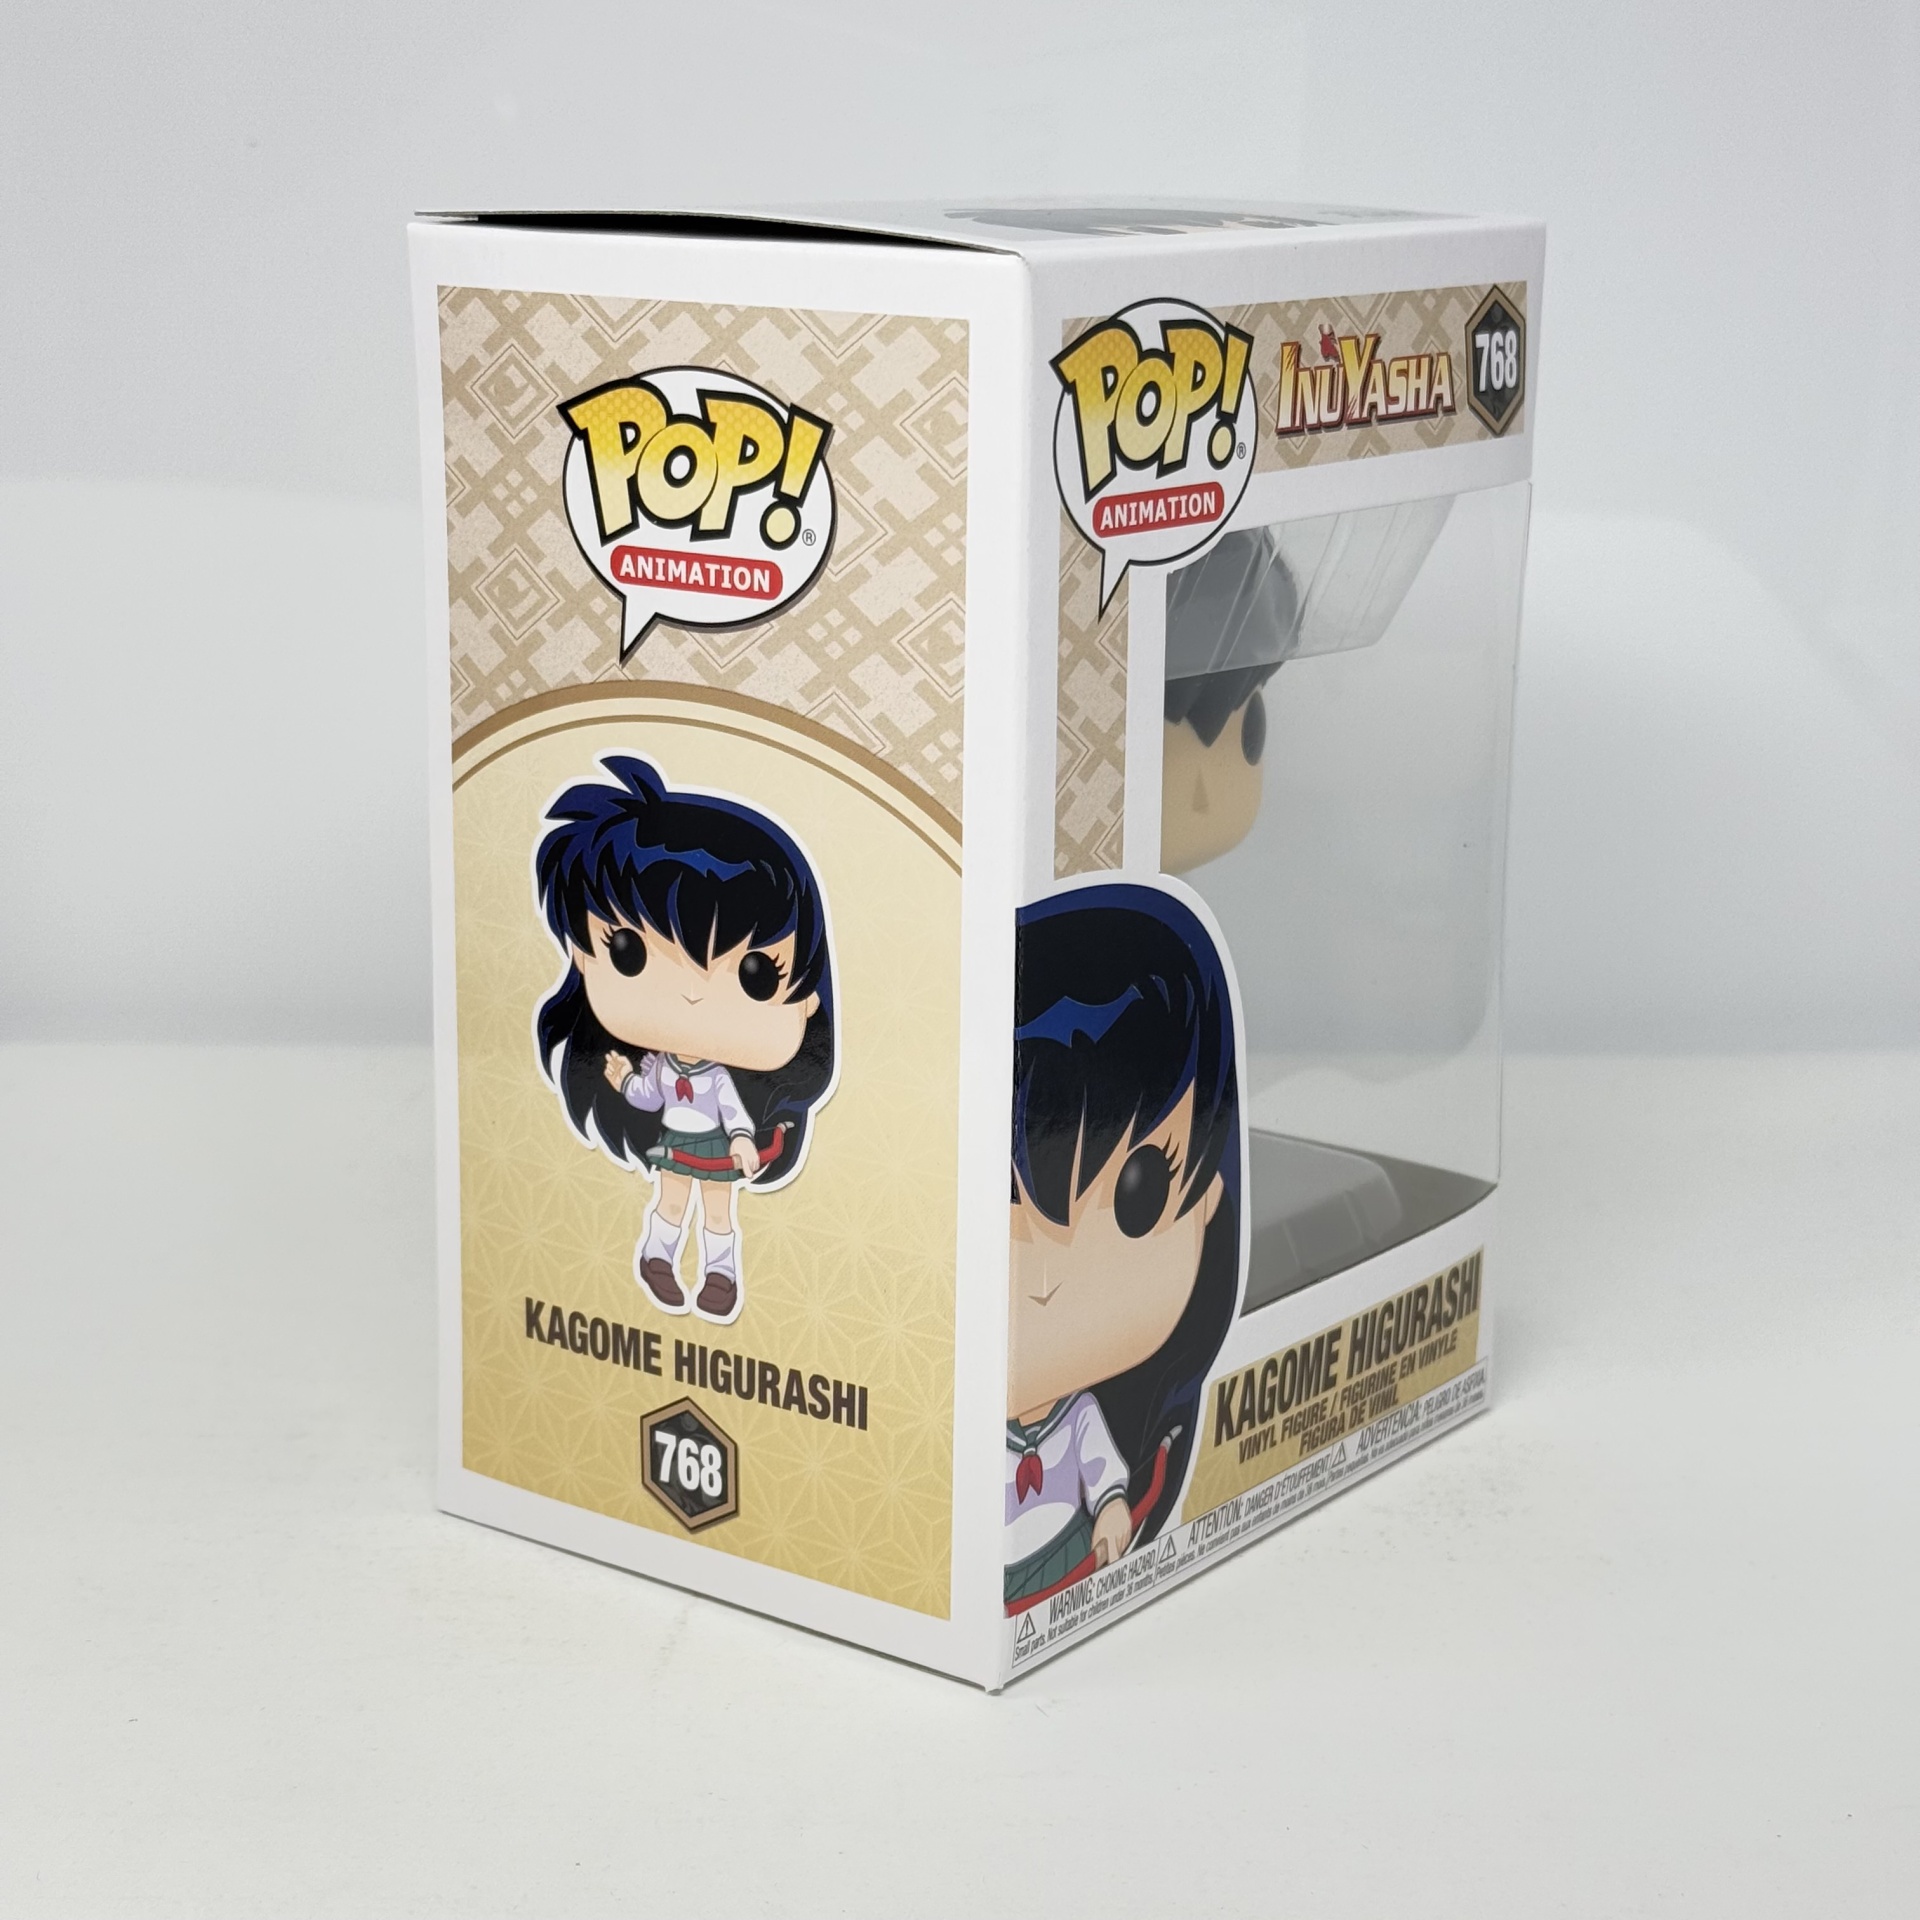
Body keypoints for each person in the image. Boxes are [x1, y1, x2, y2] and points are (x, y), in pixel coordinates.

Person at [533, 754, 836, 1325]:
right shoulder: (662, 1067)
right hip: (676, 1143)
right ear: (581, 952)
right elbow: (649, 1096)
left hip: (715, 1148)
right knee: (672, 1200)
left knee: (718, 1210)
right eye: (628, 951)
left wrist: (742, 1141)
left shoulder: (717, 1077)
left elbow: (733, 1112)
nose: (692, 997)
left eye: (756, 975)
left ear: (808, 994)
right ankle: (659, 1258)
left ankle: (720, 1275)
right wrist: (626, 1080)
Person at [1005, 883, 1241, 1611]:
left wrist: (1112, 1513)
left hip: (1067, 1561)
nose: (1044, 1281)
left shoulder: (1081, 1418)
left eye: (1139, 1196)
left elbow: (1107, 1481)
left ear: (1206, 1198)